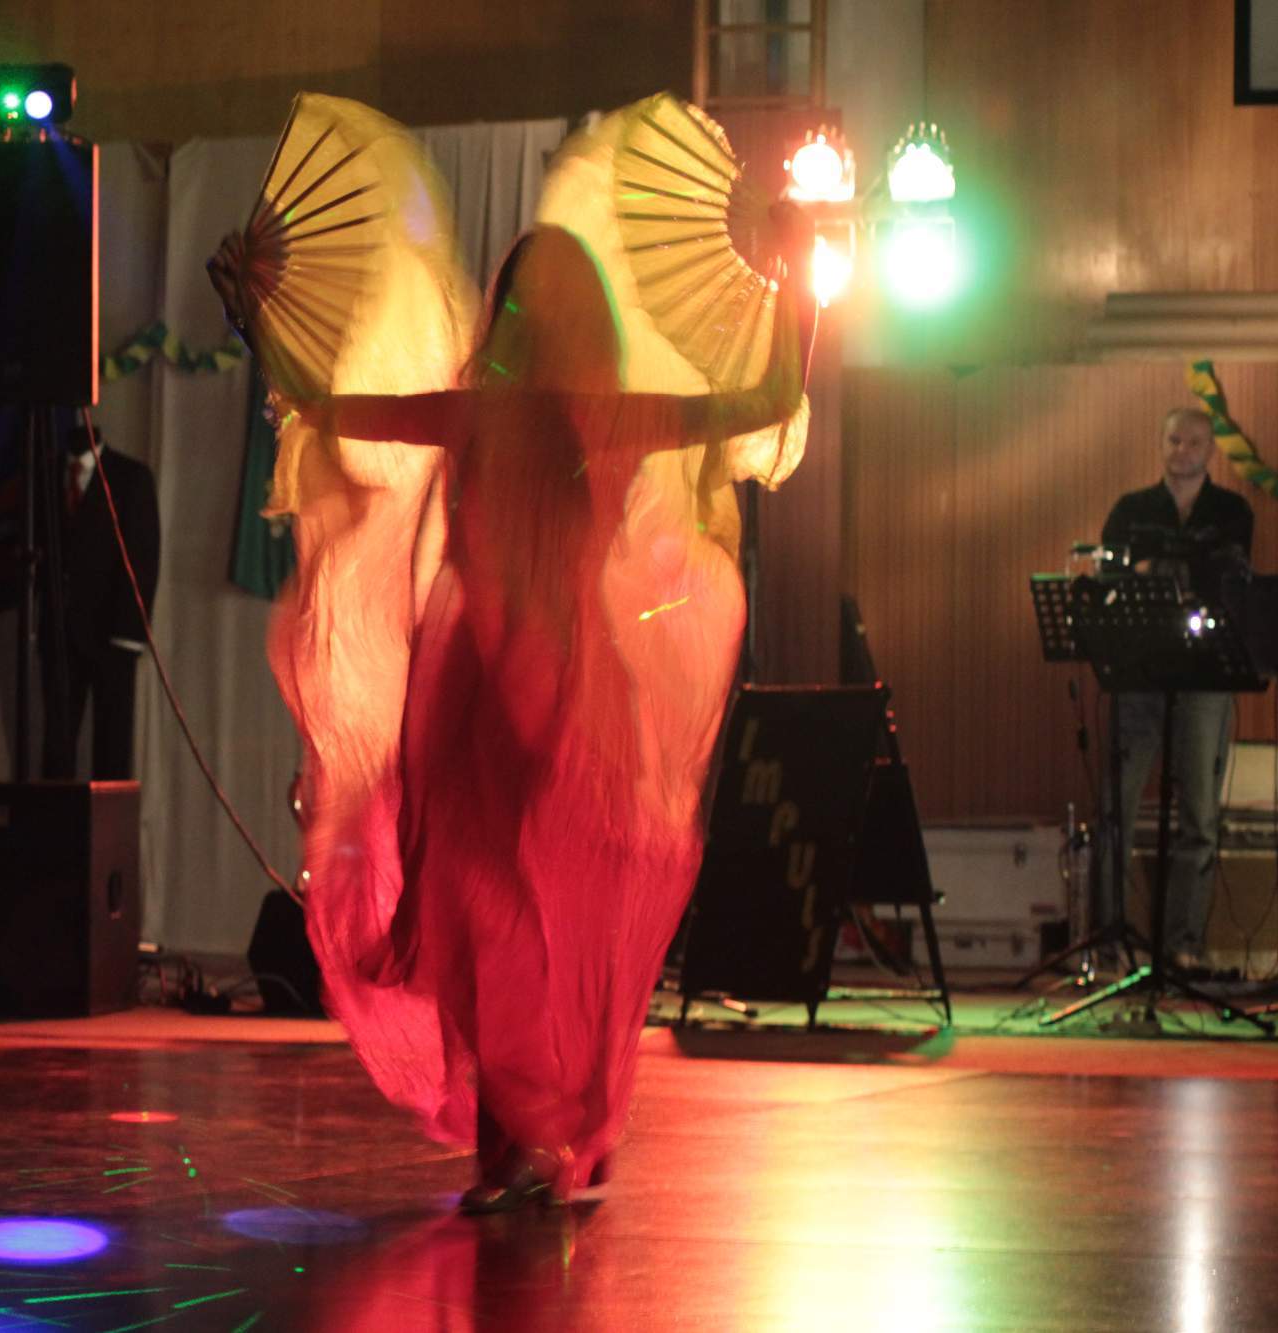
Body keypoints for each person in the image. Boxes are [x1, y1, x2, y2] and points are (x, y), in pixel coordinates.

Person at [210, 96, 812, 1212]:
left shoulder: (609, 417)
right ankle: (515, 1140)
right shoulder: (475, 416)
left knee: (535, 913)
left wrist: (795, 278)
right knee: (474, 916)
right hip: (468, 695)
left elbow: (768, 399)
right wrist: (259, 316)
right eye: (518, 296)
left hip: (567, 695)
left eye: (547, 300)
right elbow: (327, 406)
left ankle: (536, 1133)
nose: (527, 314)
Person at [1095, 406, 1254, 973]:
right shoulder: (1131, 510)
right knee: (1114, 809)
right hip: (1138, 672)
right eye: (1172, 440)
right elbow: (1111, 581)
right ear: (1160, 444)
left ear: (1210, 450)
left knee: (1199, 817)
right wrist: (1172, 574)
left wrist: (1155, 570)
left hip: (1206, 675)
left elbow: (1230, 580)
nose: (1181, 450)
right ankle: (1109, 942)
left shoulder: (1231, 512)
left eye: (1192, 442)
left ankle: (1183, 945)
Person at [40, 423, 161, 781]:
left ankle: (110, 818)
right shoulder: (44, 476)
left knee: (112, 746)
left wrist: (129, 633)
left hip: (113, 634)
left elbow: (142, 556)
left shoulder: (130, 478)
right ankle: (55, 814)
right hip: (60, 633)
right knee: (56, 745)